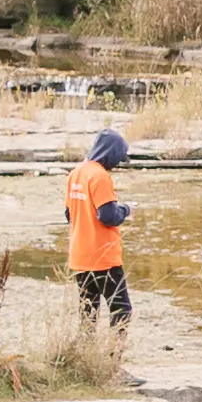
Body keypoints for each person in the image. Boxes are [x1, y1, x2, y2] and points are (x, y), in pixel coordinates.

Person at [63, 126, 134, 331]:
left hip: (80, 256)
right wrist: (126, 210)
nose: (117, 164)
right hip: (103, 257)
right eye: (118, 159)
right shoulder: (100, 176)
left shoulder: (75, 174)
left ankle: (87, 357)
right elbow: (108, 216)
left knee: (88, 312)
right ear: (110, 154)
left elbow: (70, 214)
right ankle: (112, 358)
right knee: (121, 309)